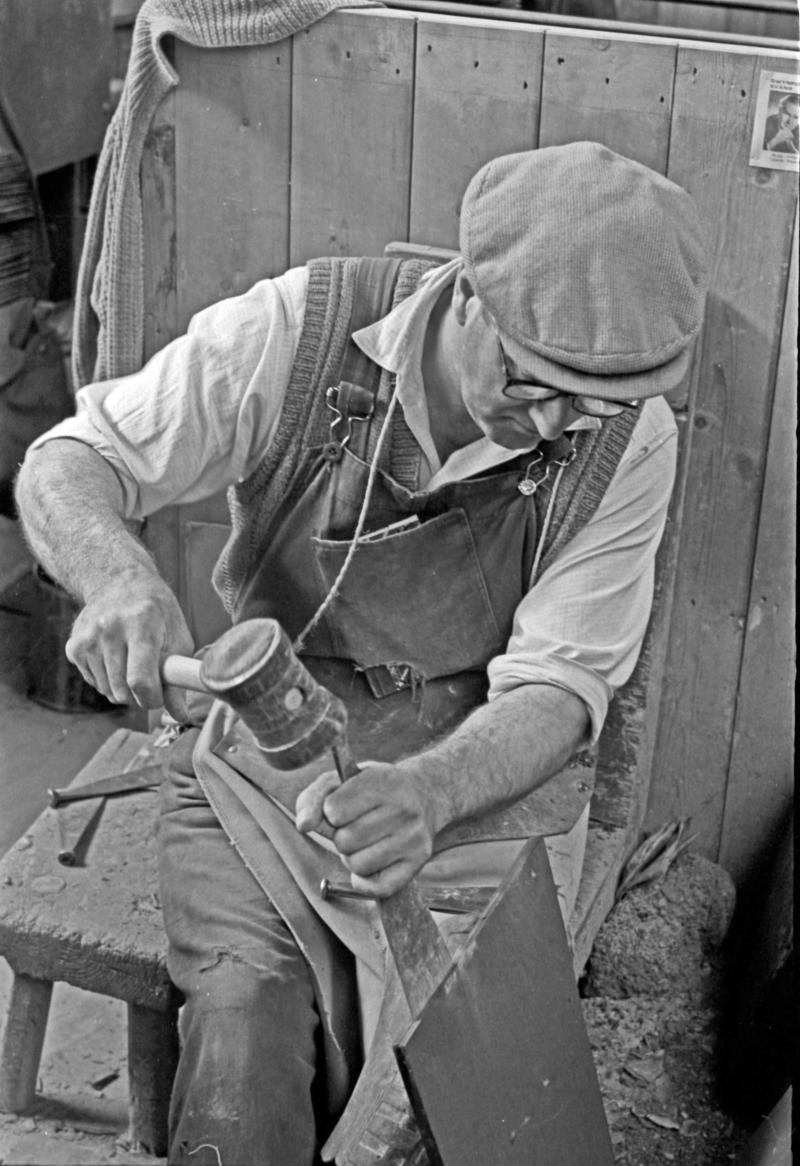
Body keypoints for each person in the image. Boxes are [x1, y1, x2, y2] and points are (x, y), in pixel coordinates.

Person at [16, 142, 709, 1165]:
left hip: (469, 762)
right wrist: (116, 577)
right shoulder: (299, 330)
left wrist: (427, 794)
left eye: (591, 406)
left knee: (445, 1066)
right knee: (248, 1019)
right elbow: (72, 460)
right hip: (264, 747)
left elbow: (560, 689)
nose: (559, 425)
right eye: (533, 388)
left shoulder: (626, 441)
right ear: (466, 295)